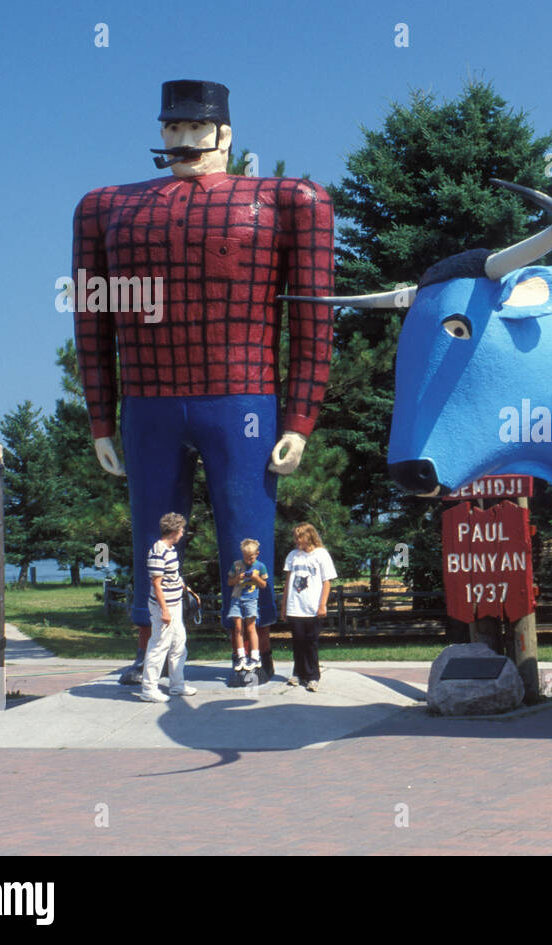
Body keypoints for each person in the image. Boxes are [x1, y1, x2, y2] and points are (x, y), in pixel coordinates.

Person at [72, 79, 334, 688]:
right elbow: (92, 318)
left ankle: (256, 654)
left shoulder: (288, 201)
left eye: (196, 130)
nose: (185, 141)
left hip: (242, 395)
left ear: (225, 134)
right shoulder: (105, 207)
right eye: (173, 130)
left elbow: (314, 317)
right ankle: (149, 653)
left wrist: (299, 419)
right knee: (151, 536)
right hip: (149, 396)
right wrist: (101, 419)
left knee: (246, 530)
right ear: (161, 133)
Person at [141, 512, 198, 702]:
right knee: (159, 645)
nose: (183, 533)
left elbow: (172, 576)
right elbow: (157, 584)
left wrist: (187, 589)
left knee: (179, 643)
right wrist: (164, 611)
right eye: (181, 529)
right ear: (174, 531)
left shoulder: (170, 549)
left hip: (175, 605)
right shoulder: (158, 551)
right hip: (163, 607)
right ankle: (149, 689)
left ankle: (177, 685)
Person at [280, 522, 336, 692]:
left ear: (308, 536)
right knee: (297, 642)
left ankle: (313, 676)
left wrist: (322, 605)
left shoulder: (321, 555)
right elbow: (288, 582)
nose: (296, 540)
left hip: (313, 608)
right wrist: (283, 606)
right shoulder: (292, 556)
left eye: (299, 537)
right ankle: (298, 673)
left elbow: (327, 582)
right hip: (295, 607)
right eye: (295, 537)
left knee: (311, 642)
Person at [227, 538, 268, 672]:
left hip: (251, 600)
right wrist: (238, 577)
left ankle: (255, 657)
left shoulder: (260, 566)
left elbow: (263, 585)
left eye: (250, 558)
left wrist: (256, 578)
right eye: (245, 557)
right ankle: (241, 657)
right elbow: (230, 582)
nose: (248, 560)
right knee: (238, 628)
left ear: (257, 554)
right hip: (237, 599)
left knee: (251, 627)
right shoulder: (237, 565)